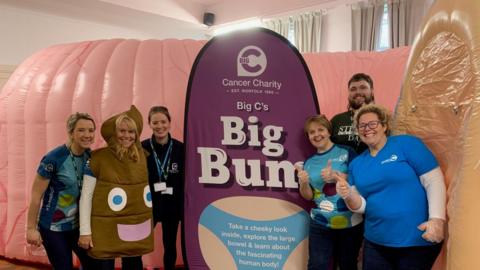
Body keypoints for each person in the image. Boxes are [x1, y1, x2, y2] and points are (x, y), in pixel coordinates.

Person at [335, 104, 446, 270]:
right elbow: (361, 206)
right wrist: (347, 194)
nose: (367, 129)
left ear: (384, 125)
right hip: (376, 243)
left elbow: (433, 180)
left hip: (415, 240)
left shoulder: (407, 144)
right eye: (362, 126)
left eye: (372, 123)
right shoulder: (357, 164)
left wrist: (437, 219)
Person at [78, 105, 153, 270]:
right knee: (104, 264)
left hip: (134, 224)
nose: (127, 136)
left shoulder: (141, 157)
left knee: (133, 264)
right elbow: (86, 197)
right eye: (122, 131)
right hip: (105, 226)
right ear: (114, 132)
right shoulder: (98, 159)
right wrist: (85, 231)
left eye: (131, 132)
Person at [26, 112, 96, 270]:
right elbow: (36, 196)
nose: (87, 135)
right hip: (53, 228)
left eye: (91, 130)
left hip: (78, 226)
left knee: (94, 264)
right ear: (71, 132)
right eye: (81, 130)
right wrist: (31, 229)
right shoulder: (54, 159)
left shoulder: (91, 157)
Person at [296, 115, 363, 270]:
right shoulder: (309, 162)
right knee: (316, 265)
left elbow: (361, 178)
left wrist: (336, 176)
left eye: (321, 129)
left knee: (348, 265)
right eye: (312, 132)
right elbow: (309, 196)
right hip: (320, 223)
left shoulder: (347, 152)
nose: (317, 134)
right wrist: (304, 182)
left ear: (329, 131)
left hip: (350, 223)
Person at [141, 106, 186, 270]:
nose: (160, 126)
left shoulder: (181, 148)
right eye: (155, 122)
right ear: (149, 124)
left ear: (169, 122)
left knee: (170, 244)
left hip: (172, 206)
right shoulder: (142, 148)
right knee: (138, 242)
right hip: (148, 205)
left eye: (163, 121)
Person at [331, 73, 375, 154]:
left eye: (363, 88)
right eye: (353, 89)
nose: (358, 92)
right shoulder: (336, 120)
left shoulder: (383, 118)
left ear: (372, 91)